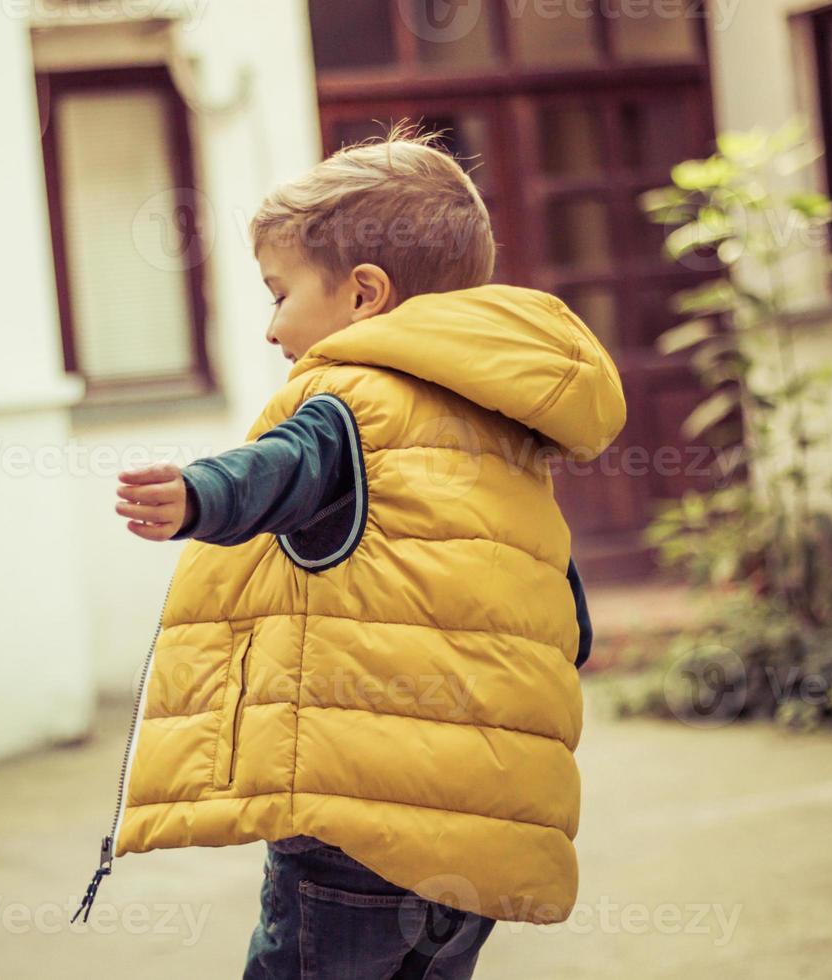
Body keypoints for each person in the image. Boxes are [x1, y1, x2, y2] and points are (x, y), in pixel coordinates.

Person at [84, 126, 627, 978]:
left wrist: (200, 495)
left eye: (278, 293)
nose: (271, 329)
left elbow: (283, 469)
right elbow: (565, 619)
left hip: (356, 832)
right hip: (477, 845)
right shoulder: (507, 427)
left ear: (364, 295)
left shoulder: (349, 400)